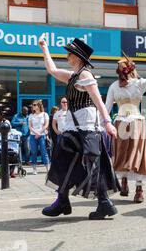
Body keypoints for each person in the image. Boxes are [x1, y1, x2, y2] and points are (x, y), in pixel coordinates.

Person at [39, 37, 119, 220]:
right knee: (68, 162)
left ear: (78, 56)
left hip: (87, 127)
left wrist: (107, 122)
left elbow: (97, 98)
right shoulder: (72, 76)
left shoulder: (85, 75)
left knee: (91, 164)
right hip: (75, 128)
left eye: (69, 53)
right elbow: (51, 70)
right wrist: (45, 49)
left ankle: (100, 202)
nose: (67, 56)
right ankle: (66, 201)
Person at [105, 50, 146, 203]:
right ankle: (129, 184)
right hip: (125, 123)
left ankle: (137, 187)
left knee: (134, 154)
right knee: (130, 154)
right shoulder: (119, 85)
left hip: (131, 123)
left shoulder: (137, 83)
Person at [28, 100, 50, 175]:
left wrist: (39, 133)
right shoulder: (31, 115)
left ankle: (48, 168)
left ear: (39, 106)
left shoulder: (45, 114)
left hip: (42, 135)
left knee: (44, 152)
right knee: (34, 152)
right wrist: (36, 133)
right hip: (33, 135)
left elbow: (46, 125)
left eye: (34, 105)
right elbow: (30, 127)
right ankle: (34, 169)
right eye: (33, 105)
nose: (33, 106)